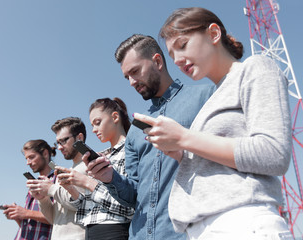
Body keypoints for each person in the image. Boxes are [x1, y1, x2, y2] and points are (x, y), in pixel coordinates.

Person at [132, 7, 293, 239]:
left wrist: (185, 138)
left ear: (214, 34)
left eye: (183, 45)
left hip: (243, 223)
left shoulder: (255, 68)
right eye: (171, 54)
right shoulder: (212, 99)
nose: (177, 60)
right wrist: (179, 152)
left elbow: (273, 153)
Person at [84, 34, 215, 240]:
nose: (131, 82)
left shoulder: (206, 97)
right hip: (140, 235)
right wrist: (110, 178)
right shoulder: (135, 130)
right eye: (127, 76)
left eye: (135, 71)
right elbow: (133, 194)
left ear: (157, 61)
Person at [56, 97, 134, 240]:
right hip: (91, 230)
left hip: (115, 231)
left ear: (115, 117)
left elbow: (129, 208)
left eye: (97, 123)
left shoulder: (131, 151)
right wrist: (71, 188)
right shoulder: (101, 155)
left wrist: (87, 182)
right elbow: (88, 205)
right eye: (92, 125)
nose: (93, 130)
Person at [26, 117, 87, 240]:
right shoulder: (68, 171)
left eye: (63, 141)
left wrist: (51, 188)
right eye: (58, 143)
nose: (59, 147)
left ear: (79, 138)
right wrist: (43, 199)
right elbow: (54, 219)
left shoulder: (89, 167)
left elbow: (82, 206)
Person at [0, 139, 54, 240]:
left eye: (31, 157)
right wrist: (18, 216)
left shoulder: (58, 179)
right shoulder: (34, 182)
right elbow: (32, 223)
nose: (28, 163)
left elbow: (58, 217)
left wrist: (25, 212)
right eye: (26, 158)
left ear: (45, 153)